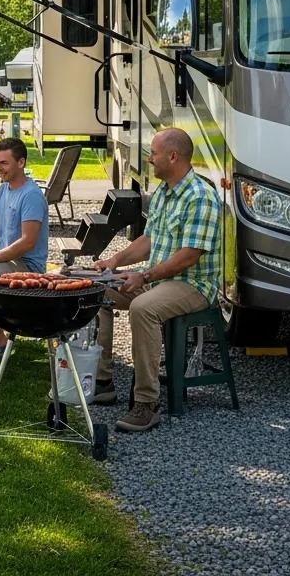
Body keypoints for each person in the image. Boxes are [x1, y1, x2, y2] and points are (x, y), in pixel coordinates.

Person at [91, 127, 221, 433]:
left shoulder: (200, 197)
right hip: (160, 278)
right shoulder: (164, 191)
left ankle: (147, 404)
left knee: (143, 308)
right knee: (96, 291)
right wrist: (114, 262)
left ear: (173, 157)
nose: (149, 159)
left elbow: (188, 257)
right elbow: (149, 239)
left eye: (154, 153)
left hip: (193, 284)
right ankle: (102, 381)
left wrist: (144, 275)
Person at [0, 137, 50, 364]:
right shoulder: (5, 189)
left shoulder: (31, 195)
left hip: (28, 266)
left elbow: (27, 243)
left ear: (21, 163)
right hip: (7, 260)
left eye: (4, 163)